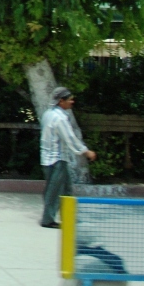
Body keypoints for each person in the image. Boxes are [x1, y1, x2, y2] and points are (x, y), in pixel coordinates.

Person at [40, 86, 96, 228]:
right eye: (69, 100)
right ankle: (47, 220)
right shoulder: (60, 118)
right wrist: (86, 151)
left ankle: (69, 217)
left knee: (66, 189)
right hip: (57, 160)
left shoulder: (47, 114)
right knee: (55, 191)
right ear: (61, 101)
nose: (72, 102)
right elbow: (70, 138)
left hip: (47, 159)